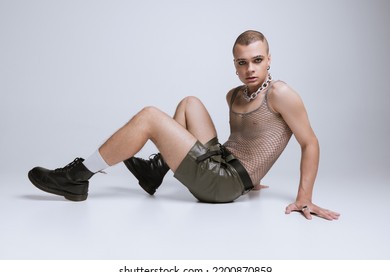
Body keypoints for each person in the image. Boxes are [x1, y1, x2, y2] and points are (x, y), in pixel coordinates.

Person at [28, 30, 340, 221]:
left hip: (225, 184)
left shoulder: (281, 93)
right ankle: (156, 172)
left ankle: (78, 176)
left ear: (269, 59)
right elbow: (248, 139)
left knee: (150, 116)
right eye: (242, 62)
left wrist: (303, 197)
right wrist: (255, 176)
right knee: (190, 101)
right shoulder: (234, 94)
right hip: (224, 165)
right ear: (234, 65)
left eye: (257, 60)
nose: (250, 69)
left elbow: (309, 142)